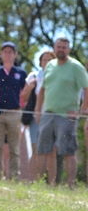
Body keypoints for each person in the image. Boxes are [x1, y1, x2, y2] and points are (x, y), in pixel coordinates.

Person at [34, 37, 88, 189]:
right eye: (59, 47)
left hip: (67, 116)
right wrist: (38, 110)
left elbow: (86, 89)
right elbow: (42, 90)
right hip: (48, 113)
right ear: (54, 47)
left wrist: (81, 112)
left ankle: (70, 185)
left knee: (68, 151)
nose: (61, 50)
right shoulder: (50, 65)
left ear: (68, 49)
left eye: (64, 47)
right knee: (42, 149)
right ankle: (41, 184)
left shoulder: (76, 67)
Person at [0, 42, 27, 180]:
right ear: (1, 54)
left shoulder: (21, 73)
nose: (8, 54)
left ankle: (14, 176)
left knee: (14, 148)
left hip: (15, 113)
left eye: (11, 51)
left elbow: (25, 94)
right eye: (5, 51)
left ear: (15, 54)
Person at [21, 50, 55, 182]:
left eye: (49, 59)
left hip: (52, 117)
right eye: (44, 59)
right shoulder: (33, 75)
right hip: (35, 118)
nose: (46, 62)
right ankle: (34, 181)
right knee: (35, 150)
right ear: (40, 62)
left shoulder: (58, 77)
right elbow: (23, 97)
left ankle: (51, 183)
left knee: (51, 152)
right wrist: (30, 86)